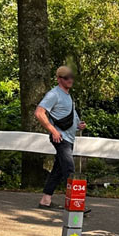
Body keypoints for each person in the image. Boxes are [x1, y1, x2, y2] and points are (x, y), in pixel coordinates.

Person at [34, 66, 86, 209]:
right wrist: (53, 131)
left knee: (57, 170)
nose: (70, 80)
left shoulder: (68, 96)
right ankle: (75, 203)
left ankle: (45, 200)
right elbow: (39, 113)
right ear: (59, 79)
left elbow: (68, 115)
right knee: (69, 169)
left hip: (69, 138)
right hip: (60, 139)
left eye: (71, 77)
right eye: (66, 77)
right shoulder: (54, 94)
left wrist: (78, 125)